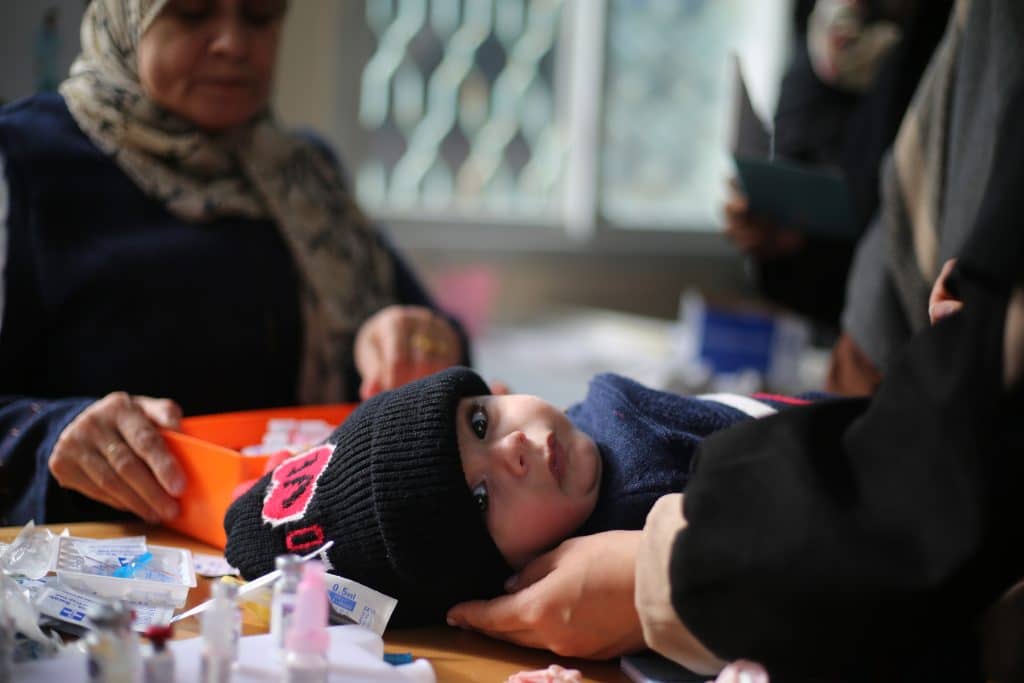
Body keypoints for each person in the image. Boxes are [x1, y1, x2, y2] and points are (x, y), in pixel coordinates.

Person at [0, 0, 466, 528]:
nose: (234, 44)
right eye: (193, 14)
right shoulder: (22, 163)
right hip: (105, 569)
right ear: (125, 17)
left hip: (296, 566)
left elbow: (445, 361)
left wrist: (417, 342)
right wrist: (53, 433)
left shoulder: (306, 177)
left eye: (261, 17)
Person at [223, 366, 812, 626]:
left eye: (479, 424)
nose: (514, 450)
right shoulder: (593, 421)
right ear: (502, 573)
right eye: (480, 499)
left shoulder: (642, 501)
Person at [725, 0, 951, 330]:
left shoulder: (939, 46)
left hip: (902, 322)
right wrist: (774, 236)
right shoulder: (821, 34)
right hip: (830, 317)